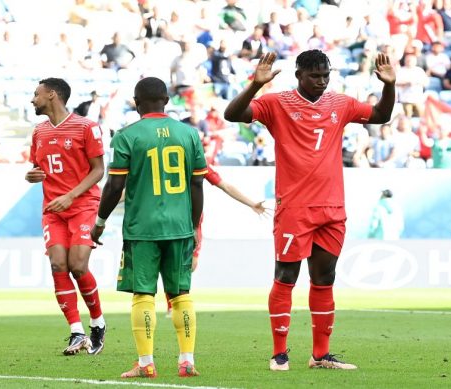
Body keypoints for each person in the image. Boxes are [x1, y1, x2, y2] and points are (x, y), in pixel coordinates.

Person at [224, 49, 396, 371]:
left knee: (325, 278)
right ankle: (279, 354)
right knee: (286, 276)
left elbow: (380, 116)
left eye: (325, 76)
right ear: (299, 75)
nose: (320, 82)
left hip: (332, 207)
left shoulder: (340, 104)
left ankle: (320, 355)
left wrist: (389, 85)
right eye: (314, 76)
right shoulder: (277, 103)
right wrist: (253, 84)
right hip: (294, 207)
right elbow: (232, 114)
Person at [90, 77, 206, 379]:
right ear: (166, 100)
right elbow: (197, 184)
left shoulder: (128, 136)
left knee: (143, 294)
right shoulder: (190, 134)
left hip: (142, 229)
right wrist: (193, 227)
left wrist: (100, 223)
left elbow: (115, 185)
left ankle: (146, 362)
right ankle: (187, 360)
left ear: (137, 102)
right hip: (180, 228)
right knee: (180, 294)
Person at [25, 78, 107, 355]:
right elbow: (36, 168)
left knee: (78, 265)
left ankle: (97, 323)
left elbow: (98, 170)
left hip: (83, 205)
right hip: (53, 210)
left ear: (52, 94)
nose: (32, 99)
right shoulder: (38, 132)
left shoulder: (86, 127)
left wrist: (71, 195)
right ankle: (76, 331)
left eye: (36, 94)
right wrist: (31, 176)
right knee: (59, 265)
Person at [164, 164, 269, 316]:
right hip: (169, 220)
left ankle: (176, 305)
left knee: (188, 266)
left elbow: (225, 185)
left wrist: (251, 203)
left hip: (191, 223)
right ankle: (174, 307)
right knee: (172, 265)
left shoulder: (199, 160)